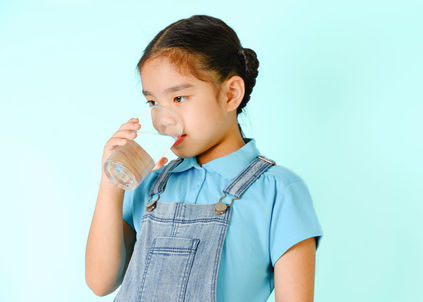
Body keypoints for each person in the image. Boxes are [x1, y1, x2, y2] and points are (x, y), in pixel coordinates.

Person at [85, 14, 323, 302]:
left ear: (230, 94)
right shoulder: (149, 185)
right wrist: (110, 184)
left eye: (179, 98)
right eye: (153, 102)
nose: (162, 119)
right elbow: (101, 283)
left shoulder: (279, 191)